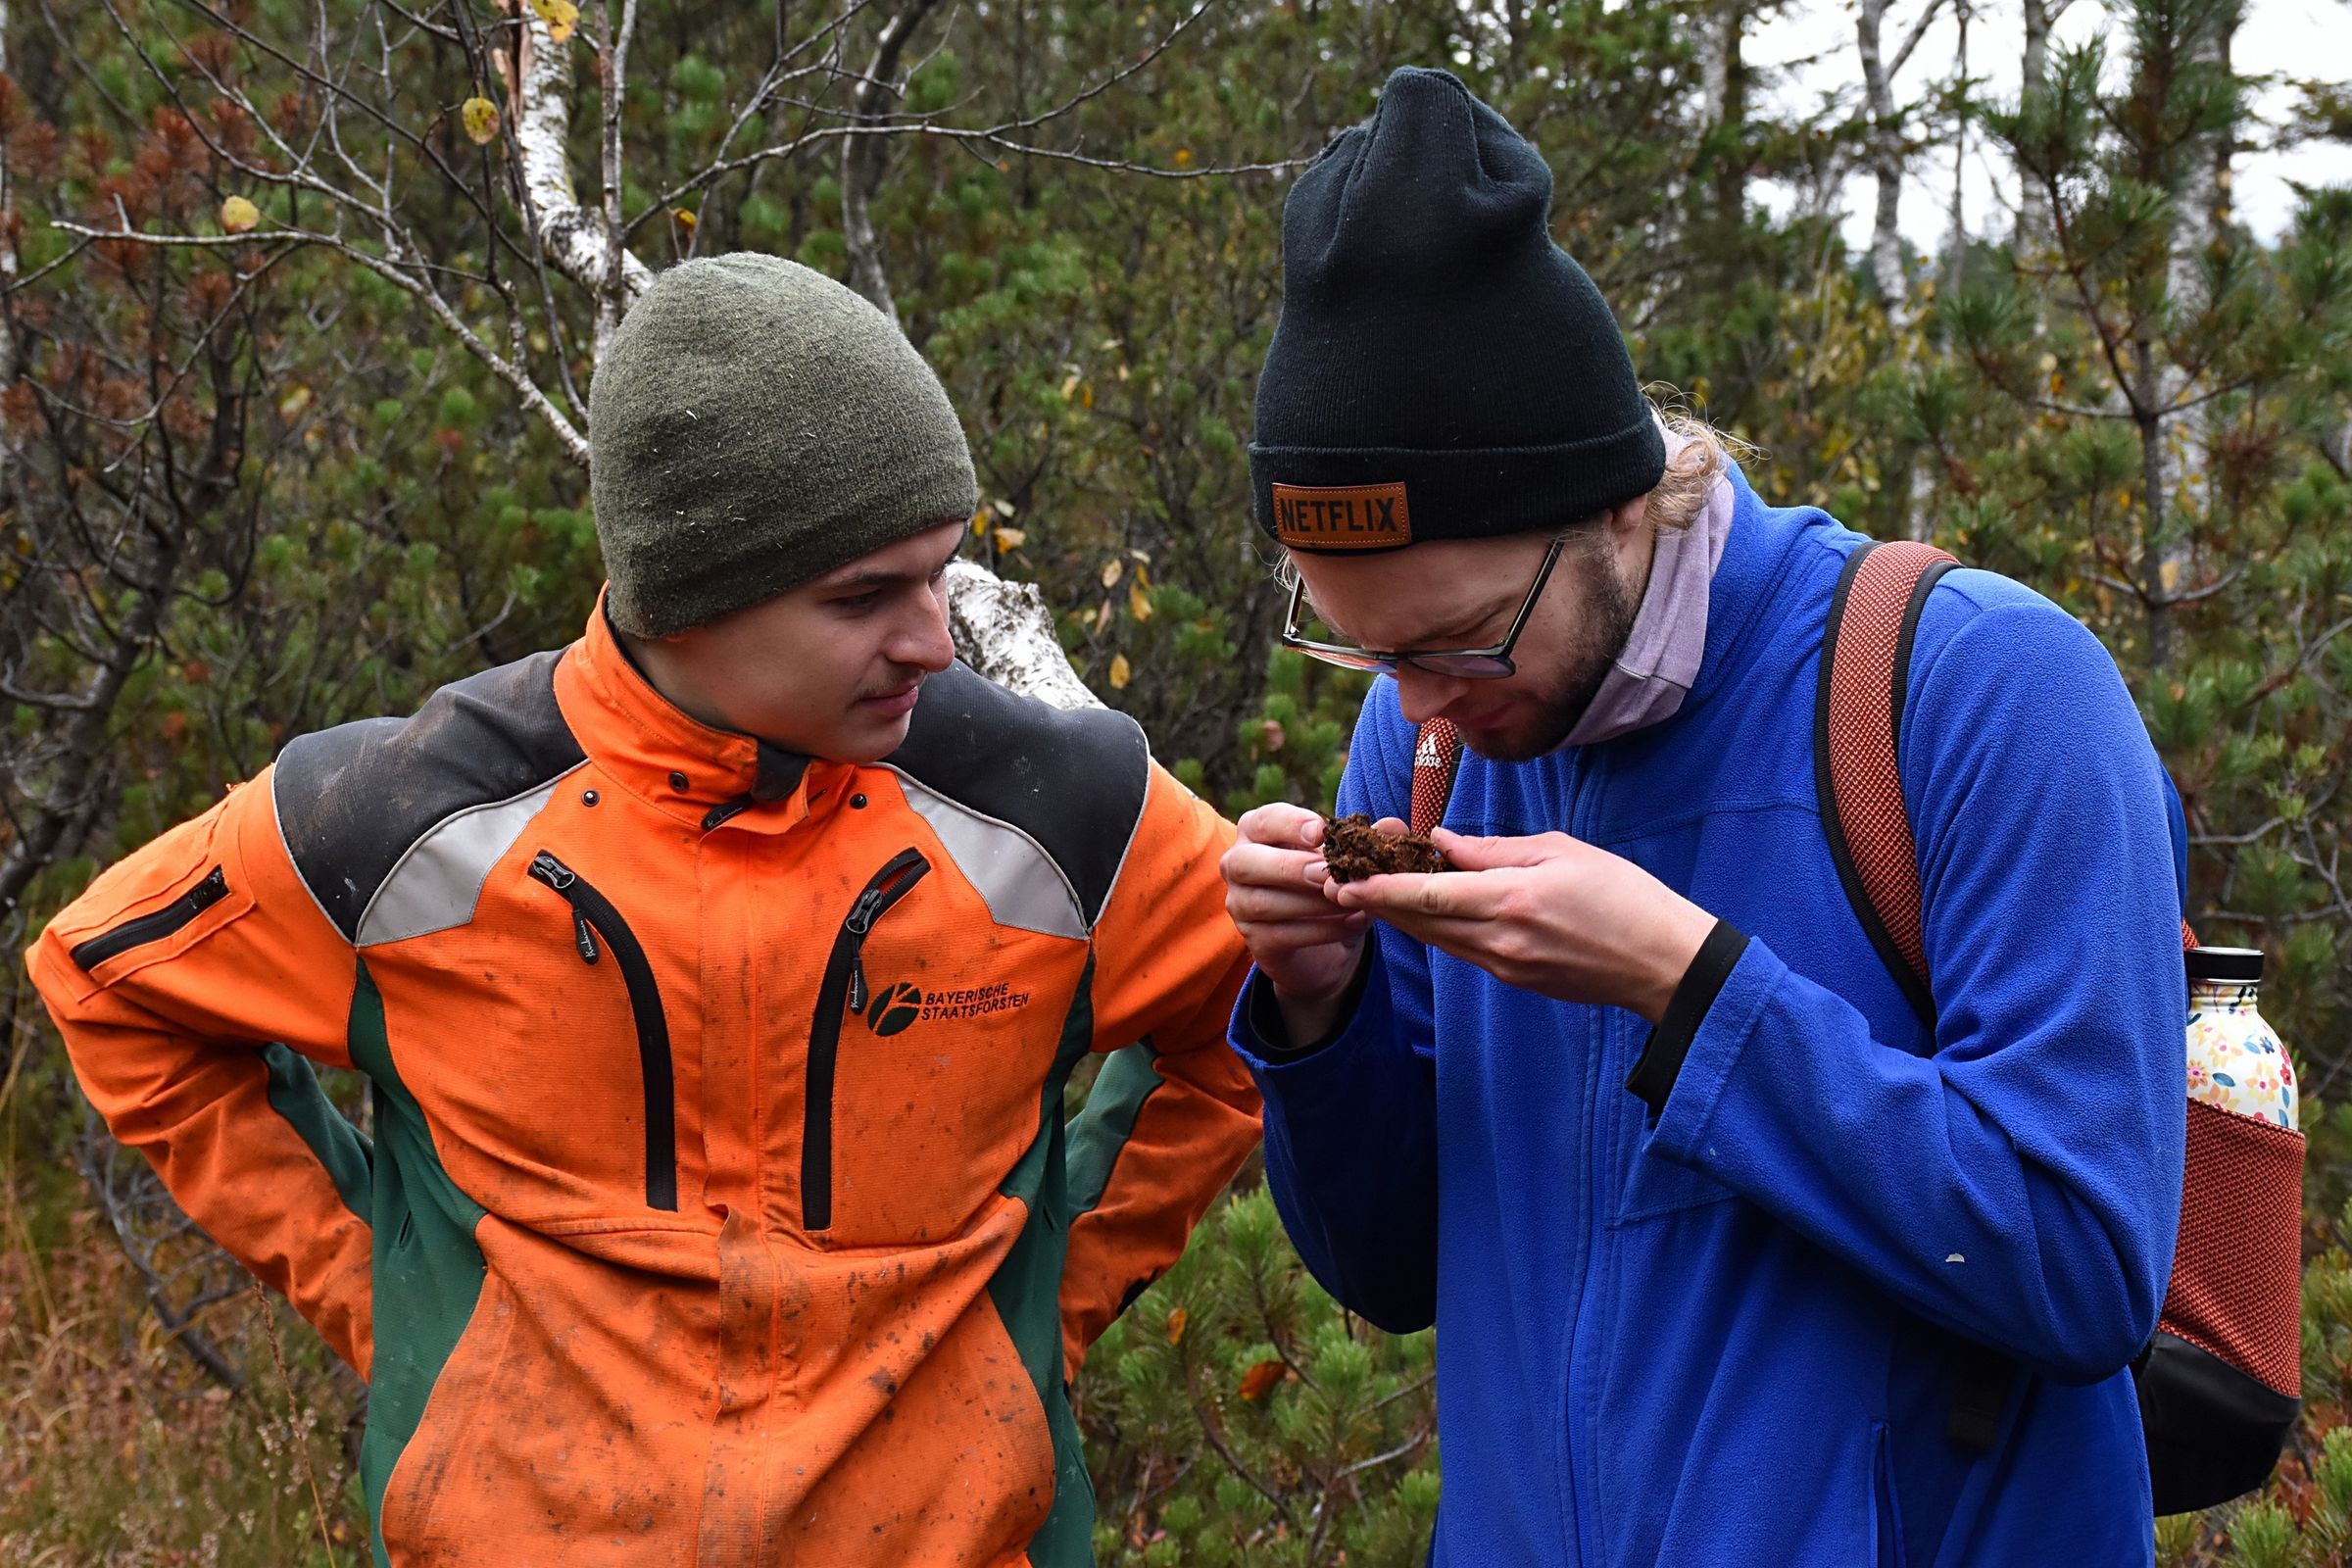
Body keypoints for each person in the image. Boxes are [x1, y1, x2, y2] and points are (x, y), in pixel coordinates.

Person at [29, 253, 1260, 1567]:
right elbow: (105, 979)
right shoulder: (404, 818)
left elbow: (1259, 1000)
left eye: (939, 574)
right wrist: (398, 1298)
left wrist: (1040, 1300)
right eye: (862, 598)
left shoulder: (1054, 804)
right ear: (690, 599)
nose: (934, 641)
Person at [1219, 69, 2184, 1567]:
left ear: (1617, 507)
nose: (1417, 707)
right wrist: (1319, 1003)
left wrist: (1689, 990)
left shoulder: (1977, 689)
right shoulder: (1429, 743)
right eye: (1365, 648)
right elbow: (1395, 1268)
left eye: (1461, 639)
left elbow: (2080, 1267)